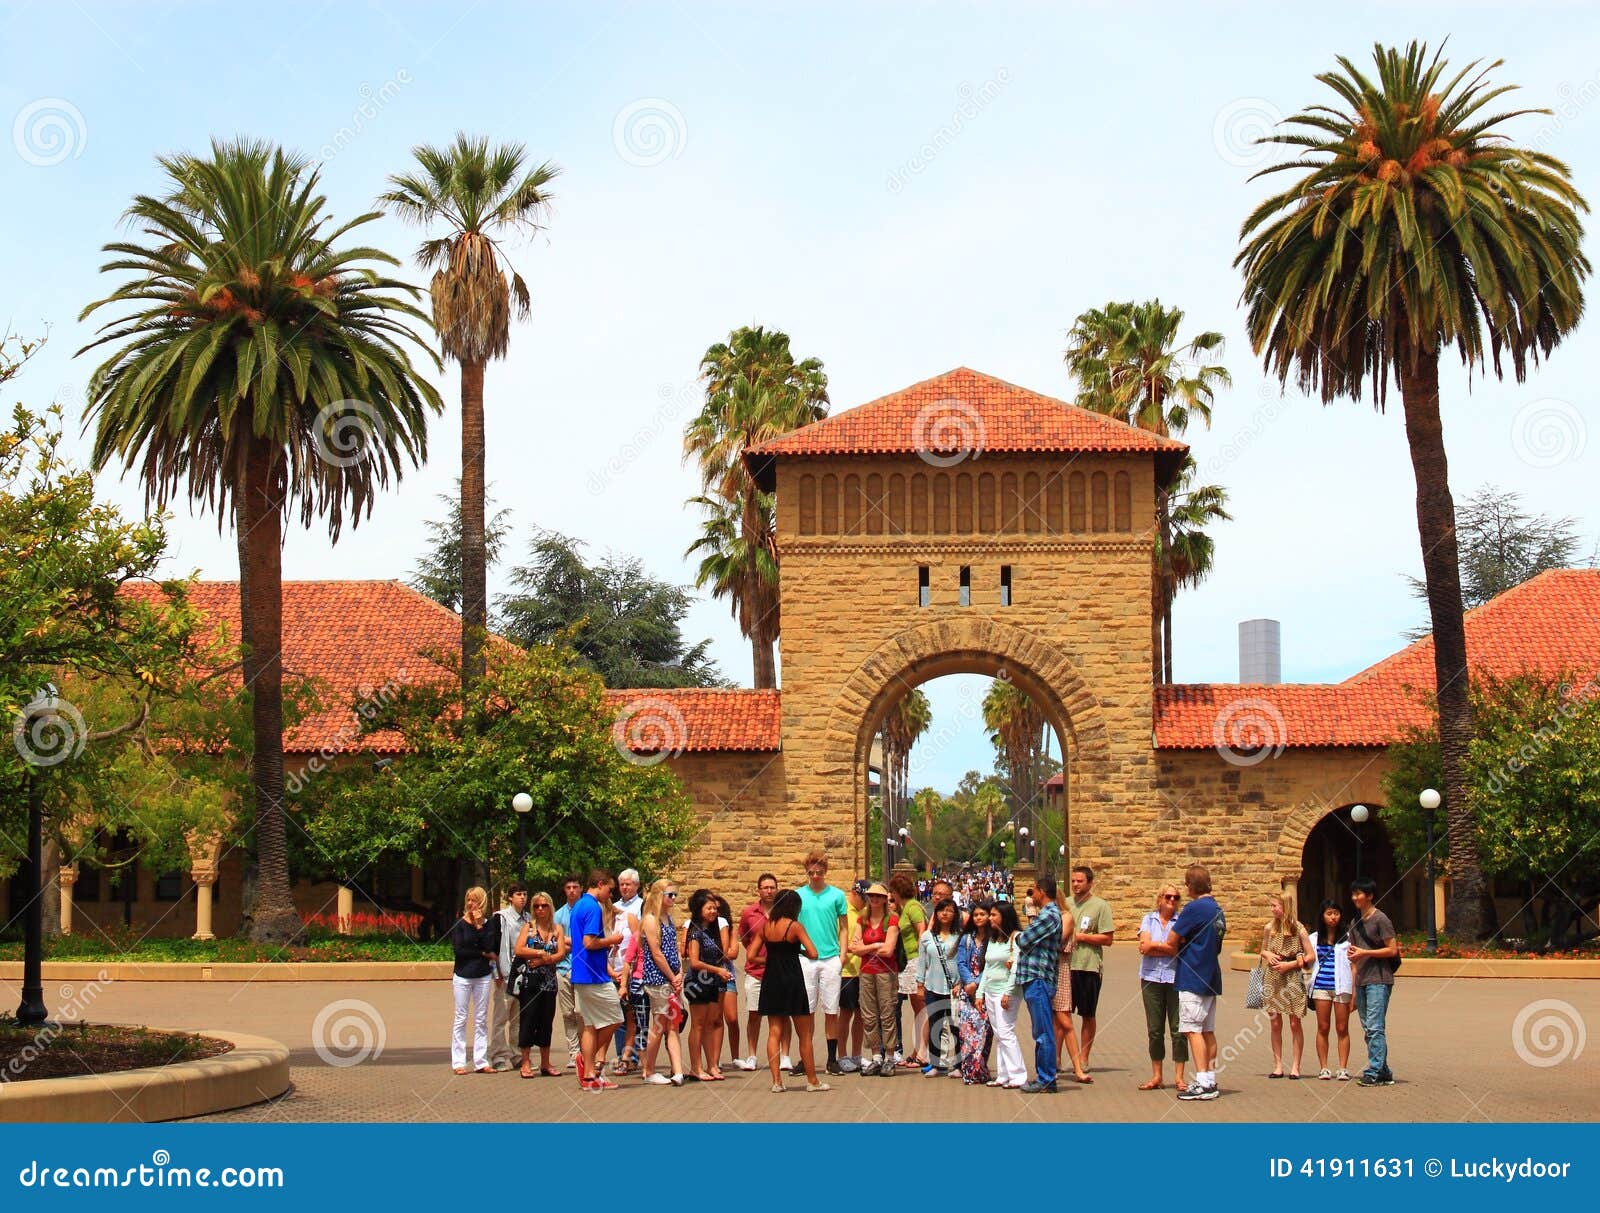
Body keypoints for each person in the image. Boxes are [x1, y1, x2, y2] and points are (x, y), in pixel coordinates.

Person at [1157, 864, 1227, 1102]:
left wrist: (1183, 940)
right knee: (1207, 1030)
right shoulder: (1218, 909)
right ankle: (1210, 1077)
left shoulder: (1194, 908)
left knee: (1191, 1029)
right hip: (1210, 975)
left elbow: (1171, 938)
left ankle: (1202, 1082)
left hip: (1192, 974)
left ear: (1190, 886)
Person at [759, 889, 831, 1092]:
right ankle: (812, 1081)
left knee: (774, 1032)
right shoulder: (794, 926)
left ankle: (776, 1082)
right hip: (792, 980)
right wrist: (798, 950)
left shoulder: (766, 926)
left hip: (771, 980)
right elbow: (814, 952)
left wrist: (772, 959)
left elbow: (753, 955)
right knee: (804, 1034)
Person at [569, 869, 625, 1092]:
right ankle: (587, 1061)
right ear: (600, 884)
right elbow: (589, 942)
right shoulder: (592, 906)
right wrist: (612, 939)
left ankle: (590, 1075)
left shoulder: (580, 905)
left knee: (591, 1025)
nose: (609, 895)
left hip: (585, 973)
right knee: (616, 1018)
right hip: (593, 975)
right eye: (609, 890)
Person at [795, 849, 849, 1076]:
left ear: (825, 871)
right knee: (805, 1010)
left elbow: (844, 927)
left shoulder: (836, 895)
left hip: (830, 957)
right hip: (806, 958)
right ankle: (804, 1057)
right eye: (811, 872)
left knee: (831, 1009)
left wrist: (843, 954)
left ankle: (831, 1058)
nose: (815, 876)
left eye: (819, 872)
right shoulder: (798, 895)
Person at [1346, 876, 1399, 1086]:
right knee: (1368, 1027)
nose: (1355, 897)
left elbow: (1392, 949)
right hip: (1362, 980)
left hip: (1379, 979)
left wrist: (1365, 952)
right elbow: (1353, 958)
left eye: (1359, 894)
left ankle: (1374, 1071)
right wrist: (1353, 988)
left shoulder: (1381, 919)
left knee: (1376, 1027)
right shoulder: (1354, 923)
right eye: (1353, 894)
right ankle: (1384, 1071)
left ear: (1369, 896)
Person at [1012, 876, 1063, 1093]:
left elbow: (1023, 940)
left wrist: (1017, 936)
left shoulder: (1049, 915)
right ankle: (1044, 1076)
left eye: (1033, 891)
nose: (1032, 896)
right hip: (1034, 979)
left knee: (1043, 1032)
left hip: (1039, 979)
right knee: (1039, 1031)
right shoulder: (1046, 915)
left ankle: (1047, 1078)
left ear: (1042, 891)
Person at [1136, 883, 1188, 1091]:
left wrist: (1157, 946)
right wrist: (1166, 947)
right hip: (1151, 979)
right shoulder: (1148, 919)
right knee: (1155, 1030)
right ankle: (1157, 1075)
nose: (1172, 901)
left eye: (1175, 898)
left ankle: (1179, 1077)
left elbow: (1178, 950)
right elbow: (1144, 947)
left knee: (1178, 1029)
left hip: (1175, 979)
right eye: (1168, 897)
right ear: (1160, 898)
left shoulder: (1182, 921)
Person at [1062, 865, 1113, 1071]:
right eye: (1073, 881)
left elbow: (1108, 938)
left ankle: (1084, 1058)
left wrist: (1082, 937)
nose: (1075, 884)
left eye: (1079, 881)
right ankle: (1056, 1058)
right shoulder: (1064, 904)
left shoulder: (1100, 906)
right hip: (1065, 965)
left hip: (1088, 966)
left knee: (1087, 1014)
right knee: (1061, 1013)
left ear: (1090, 883)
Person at [512, 891, 567, 1077]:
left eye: (544, 905)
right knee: (528, 1020)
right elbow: (518, 949)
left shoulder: (557, 928)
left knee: (546, 1021)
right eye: (536, 906)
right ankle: (525, 1062)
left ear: (550, 907)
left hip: (549, 981)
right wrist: (538, 954)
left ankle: (546, 1062)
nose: (540, 909)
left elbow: (561, 953)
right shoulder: (528, 927)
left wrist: (545, 959)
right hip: (530, 981)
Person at [849, 881, 901, 1077]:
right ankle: (875, 1056)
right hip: (867, 972)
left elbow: (889, 951)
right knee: (868, 1015)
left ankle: (889, 1056)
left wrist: (867, 947)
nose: (875, 899)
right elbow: (854, 948)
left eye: (879, 896)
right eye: (872, 896)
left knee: (887, 1014)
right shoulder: (863, 920)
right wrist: (875, 945)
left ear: (884, 899)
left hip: (886, 972)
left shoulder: (891, 920)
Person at [639, 878, 686, 1086]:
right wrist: (671, 976)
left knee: (672, 1025)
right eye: (670, 895)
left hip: (672, 977)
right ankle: (648, 1070)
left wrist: (680, 973)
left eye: (675, 895)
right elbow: (656, 953)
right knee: (659, 1025)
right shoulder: (651, 919)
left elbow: (674, 949)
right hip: (658, 979)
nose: (673, 898)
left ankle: (678, 1071)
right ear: (659, 895)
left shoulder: (668, 917)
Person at [1261, 892, 1313, 1079]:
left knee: (1294, 1021)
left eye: (1275, 905)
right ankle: (1277, 1065)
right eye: (1272, 905)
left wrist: (1290, 964)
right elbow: (1263, 950)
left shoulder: (1298, 929)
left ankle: (1296, 1066)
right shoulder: (1269, 928)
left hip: (1292, 976)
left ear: (1286, 906)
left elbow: (1310, 955)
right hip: (1273, 976)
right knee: (1275, 1022)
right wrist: (1268, 955)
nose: (1272, 909)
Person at [684, 888, 733, 1081]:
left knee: (711, 1023)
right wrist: (717, 970)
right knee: (697, 1025)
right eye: (709, 908)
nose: (713, 911)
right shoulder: (695, 932)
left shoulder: (713, 931)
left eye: (715, 908)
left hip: (713, 981)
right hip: (697, 982)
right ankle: (696, 1067)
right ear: (699, 909)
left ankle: (712, 1064)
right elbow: (694, 962)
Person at [975, 901, 1025, 1089]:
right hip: (990, 991)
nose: (990, 918)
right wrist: (980, 994)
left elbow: (1016, 968)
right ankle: (1003, 1074)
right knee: (998, 1033)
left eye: (994, 915)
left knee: (1006, 1032)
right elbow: (987, 967)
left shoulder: (1016, 937)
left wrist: (1008, 992)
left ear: (1005, 917)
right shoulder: (993, 939)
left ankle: (1018, 1075)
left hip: (1007, 992)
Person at [449, 886, 498, 1075]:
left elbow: (490, 945)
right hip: (462, 976)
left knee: (481, 1019)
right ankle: (458, 1062)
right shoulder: (459, 924)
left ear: (482, 902)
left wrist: (479, 926)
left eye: (475, 900)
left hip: (483, 976)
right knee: (461, 1018)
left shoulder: (488, 924)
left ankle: (481, 1061)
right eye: (468, 900)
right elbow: (460, 951)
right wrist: (483, 954)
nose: (471, 904)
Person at [915, 896, 962, 1075]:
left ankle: (958, 1065)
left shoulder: (961, 937)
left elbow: (963, 961)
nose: (945, 913)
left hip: (954, 988)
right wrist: (920, 984)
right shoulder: (927, 937)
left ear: (955, 914)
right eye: (942, 910)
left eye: (950, 910)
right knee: (935, 1023)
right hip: (932, 985)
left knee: (954, 1026)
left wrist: (962, 983)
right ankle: (936, 1064)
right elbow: (922, 962)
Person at [737, 874, 779, 1072]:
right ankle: (752, 1055)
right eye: (765, 887)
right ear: (759, 890)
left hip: (779, 971)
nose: (769, 891)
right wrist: (756, 953)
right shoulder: (749, 913)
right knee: (754, 1014)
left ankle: (783, 1055)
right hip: (755, 971)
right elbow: (744, 938)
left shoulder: (782, 911)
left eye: (772, 887)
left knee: (779, 1015)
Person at [1308, 899, 1354, 1081]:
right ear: (1322, 916)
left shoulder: (1349, 938)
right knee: (1323, 1026)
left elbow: (1353, 964)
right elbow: (1306, 959)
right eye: (1329, 913)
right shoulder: (1313, 938)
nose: (1333, 917)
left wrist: (1355, 992)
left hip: (1342, 986)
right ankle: (1324, 1067)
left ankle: (1343, 1067)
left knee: (1342, 1028)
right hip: (1321, 987)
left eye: (1336, 913)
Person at [487, 884, 530, 1072]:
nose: (522, 897)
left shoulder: (528, 919)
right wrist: (496, 973)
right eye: (518, 894)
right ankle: (497, 1055)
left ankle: (516, 1054)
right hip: (505, 975)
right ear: (510, 897)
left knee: (518, 1018)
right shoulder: (501, 918)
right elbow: (493, 948)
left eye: (525, 894)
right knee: (500, 1018)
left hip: (523, 976)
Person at [889, 871, 927, 1068]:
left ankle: (923, 1052)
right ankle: (917, 1049)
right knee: (916, 1007)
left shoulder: (912, 907)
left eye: (892, 891)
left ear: (897, 891)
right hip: (908, 962)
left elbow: (922, 931)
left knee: (921, 1007)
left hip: (915, 959)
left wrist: (921, 961)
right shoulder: (903, 909)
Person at [955, 899, 994, 1084]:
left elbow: (992, 966)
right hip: (967, 992)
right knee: (967, 1033)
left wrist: (977, 983)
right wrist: (968, 982)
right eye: (976, 914)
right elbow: (961, 962)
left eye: (982, 914)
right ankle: (969, 1071)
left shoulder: (993, 939)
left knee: (984, 1033)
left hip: (985, 990)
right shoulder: (966, 938)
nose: (979, 918)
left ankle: (981, 1069)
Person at [611, 869, 646, 1069]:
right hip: (614, 967)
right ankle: (620, 1056)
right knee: (618, 1015)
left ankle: (631, 1057)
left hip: (634, 968)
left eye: (628, 884)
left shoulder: (641, 906)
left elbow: (640, 937)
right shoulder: (613, 907)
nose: (625, 887)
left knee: (633, 1014)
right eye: (622, 884)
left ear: (636, 886)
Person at [552, 874, 584, 1069]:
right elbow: (556, 941)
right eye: (568, 887)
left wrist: (569, 941)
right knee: (567, 1013)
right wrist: (573, 942)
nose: (572, 890)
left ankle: (585, 1049)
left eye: (575, 887)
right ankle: (574, 1053)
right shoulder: (558, 915)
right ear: (564, 890)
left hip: (582, 968)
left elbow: (589, 939)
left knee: (582, 1012)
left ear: (580, 889)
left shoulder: (587, 909)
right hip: (563, 968)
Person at [838, 880, 867, 1072]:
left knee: (861, 1014)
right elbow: (837, 938)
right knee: (845, 1013)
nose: (865, 902)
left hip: (863, 970)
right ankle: (842, 1055)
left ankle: (857, 1054)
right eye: (863, 898)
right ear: (854, 893)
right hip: (846, 970)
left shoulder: (865, 913)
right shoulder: (843, 912)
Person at [715, 893, 746, 1068]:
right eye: (712, 908)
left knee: (732, 1018)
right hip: (708, 977)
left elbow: (733, 953)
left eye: (719, 909)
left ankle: (735, 1056)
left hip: (727, 975)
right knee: (715, 1018)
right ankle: (715, 1058)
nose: (715, 912)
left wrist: (715, 954)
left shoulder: (730, 929)